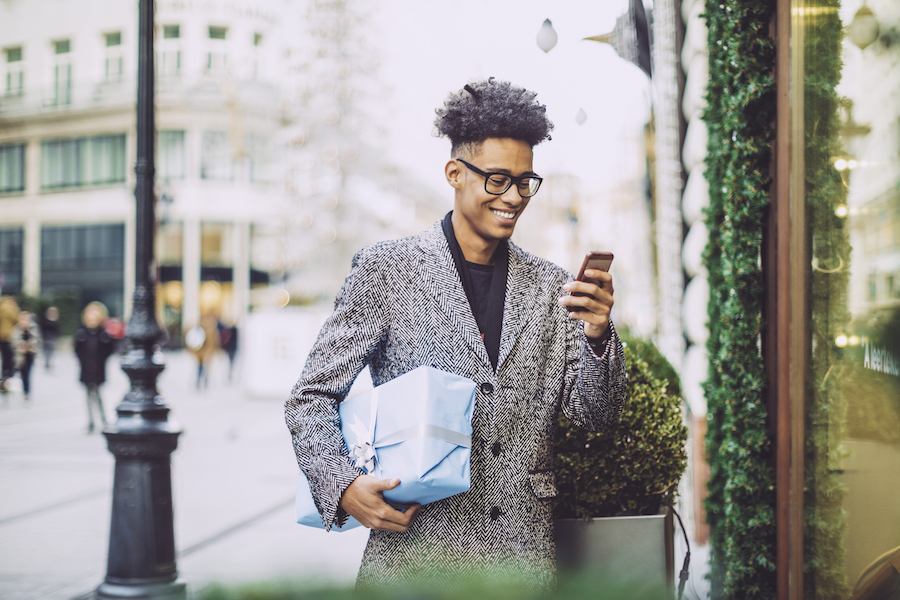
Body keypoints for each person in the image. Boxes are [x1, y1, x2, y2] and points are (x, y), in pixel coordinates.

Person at [285, 78, 628, 591]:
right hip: (415, 560)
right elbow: (309, 397)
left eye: (526, 181)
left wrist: (599, 337)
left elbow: (595, 417)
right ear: (455, 174)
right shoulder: (388, 271)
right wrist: (343, 485)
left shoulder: (556, 287)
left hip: (523, 563)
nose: (514, 196)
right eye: (497, 179)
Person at [74, 301, 116, 433]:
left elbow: (110, 349)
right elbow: (77, 350)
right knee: (88, 394)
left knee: (98, 394)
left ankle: (103, 419)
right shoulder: (81, 333)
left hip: (98, 369)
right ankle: (91, 421)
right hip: (86, 369)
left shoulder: (103, 334)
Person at [11, 310, 41, 402]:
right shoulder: (17, 329)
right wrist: (20, 345)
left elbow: (38, 340)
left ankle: (27, 393)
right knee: (22, 374)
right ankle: (24, 392)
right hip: (20, 356)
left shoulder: (33, 328)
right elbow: (13, 342)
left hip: (30, 355)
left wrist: (31, 345)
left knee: (27, 374)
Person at [185, 314, 220, 388]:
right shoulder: (203, 329)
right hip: (202, 352)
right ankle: (202, 382)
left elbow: (214, 341)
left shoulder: (208, 330)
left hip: (206, 352)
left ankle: (203, 382)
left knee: (204, 368)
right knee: (202, 367)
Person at [0, 293, 20, 393]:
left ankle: (3, 380)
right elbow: (17, 320)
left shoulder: (1, 305)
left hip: (1, 336)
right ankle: (7, 379)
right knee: (10, 359)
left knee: (4, 358)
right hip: (9, 336)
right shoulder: (11, 306)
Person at [40, 306, 60, 371]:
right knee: (46, 352)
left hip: (52, 338)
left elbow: (57, 329)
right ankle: (46, 362)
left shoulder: (56, 320)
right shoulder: (45, 319)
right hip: (46, 338)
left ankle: (49, 363)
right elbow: (42, 328)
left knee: (51, 352)